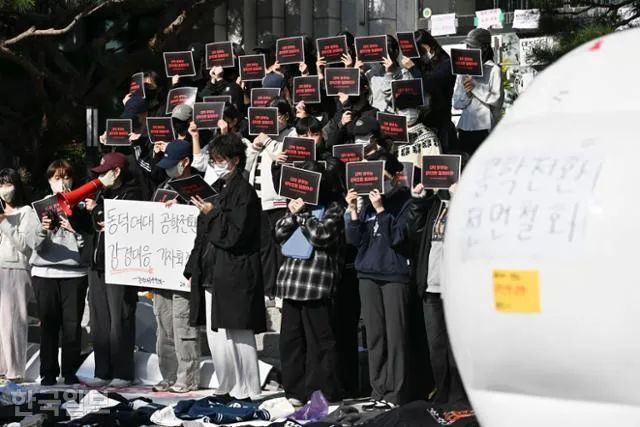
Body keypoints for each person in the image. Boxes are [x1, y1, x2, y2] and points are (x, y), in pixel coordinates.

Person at [185, 133, 267, 401]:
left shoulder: (243, 192)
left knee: (238, 332)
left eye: (221, 160)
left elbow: (234, 234)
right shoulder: (218, 189)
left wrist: (212, 213)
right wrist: (192, 267)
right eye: (214, 160)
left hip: (235, 271)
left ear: (235, 161)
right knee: (216, 334)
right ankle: (226, 384)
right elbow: (203, 234)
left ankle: (248, 387)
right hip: (212, 271)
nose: (216, 164)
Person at [345, 150, 413, 408]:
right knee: (375, 335)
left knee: (396, 336)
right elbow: (355, 240)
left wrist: (381, 210)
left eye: (383, 177)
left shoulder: (405, 200)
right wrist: (353, 211)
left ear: (396, 176)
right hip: (368, 273)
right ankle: (378, 390)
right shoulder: (367, 201)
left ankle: (396, 393)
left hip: (394, 273)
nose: (378, 184)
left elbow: (399, 237)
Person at [274, 162, 345, 407]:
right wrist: (292, 214)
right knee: (291, 341)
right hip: (291, 281)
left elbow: (322, 236)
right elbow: (279, 233)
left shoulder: (334, 208)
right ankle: (295, 389)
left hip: (316, 284)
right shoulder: (297, 205)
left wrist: (304, 216)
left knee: (320, 343)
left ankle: (321, 391)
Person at [406, 154, 469, 404]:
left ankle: (460, 397)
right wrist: (418, 202)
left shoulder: (467, 203)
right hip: (431, 288)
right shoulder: (434, 204)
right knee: (437, 347)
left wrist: (459, 199)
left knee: (457, 348)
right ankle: (443, 395)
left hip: (456, 290)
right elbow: (412, 231)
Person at [30, 160, 92, 386]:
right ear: (49, 181)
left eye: (66, 177)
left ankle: (70, 371)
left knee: (72, 325)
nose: (62, 182)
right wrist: (42, 229)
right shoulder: (36, 209)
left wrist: (75, 230)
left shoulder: (83, 208)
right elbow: (33, 244)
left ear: (73, 180)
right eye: (56, 178)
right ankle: (47, 372)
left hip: (74, 274)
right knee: (48, 325)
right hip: (44, 273)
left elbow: (89, 244)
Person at [84, 152, 142, 388]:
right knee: (100, 320)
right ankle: (103, 369)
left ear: (117, 172)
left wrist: (97, 209)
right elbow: (91, 226)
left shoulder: (133, 193)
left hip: (120, 266)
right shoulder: (101, 192)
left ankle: (122, 371)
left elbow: (122, 223)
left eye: (104, 173)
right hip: (97, 264)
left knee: (120, 318)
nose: (100, 179)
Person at [151, 140, 201, 393]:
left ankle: (187, 377)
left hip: (184, 268)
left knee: (183, 325)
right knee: (163, 324)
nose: (169, 170)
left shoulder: (199, 188)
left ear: (186, 162)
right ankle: (168, 375)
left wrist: (184, 209)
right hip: (161, 268)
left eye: (173, 165)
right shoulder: (163, 187)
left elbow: (206, 219)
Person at [0, 169, 38, 383]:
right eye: (0, 184)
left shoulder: (26, 212)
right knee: (0, 323)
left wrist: (4, 223)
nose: (4, 189)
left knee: (13, 321)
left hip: (15, 269)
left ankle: (15, 372)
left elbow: (26, 246)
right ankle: (2, 369)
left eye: (8, 184)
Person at [402, 29, 457, 151]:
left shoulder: (446, 62)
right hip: (421, 121)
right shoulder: (420, 62)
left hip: (440, 121)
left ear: (428, 46)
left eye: (420, 50)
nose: (419, 55)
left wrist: (413, 69)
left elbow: (432, 85)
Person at [246, 97, 296, 227]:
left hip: (276, 202)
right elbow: (246, 165)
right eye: (268, 115)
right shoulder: (262, 136)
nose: (271, 120)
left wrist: (267, 141)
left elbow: (280, 156)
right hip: (256, 199)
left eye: (275, 115)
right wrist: (254, 146)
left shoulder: (292, 134)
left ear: (285, 116)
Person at [453, 28, 504, 156]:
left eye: (473, 47)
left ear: (484, 48)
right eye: (468, 47)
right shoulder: (463, 71)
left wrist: (476, 88)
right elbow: (457, 104)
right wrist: (467, 94)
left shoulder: (493, 69)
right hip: (465, 126)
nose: (470, 50)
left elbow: (497, 100)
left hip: (484, 128)